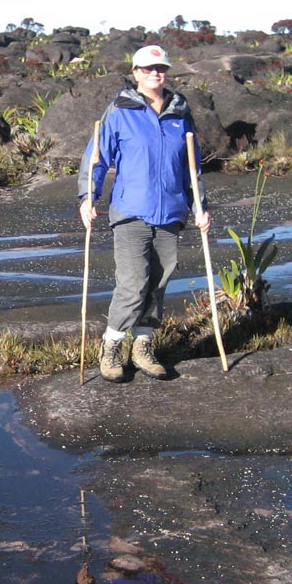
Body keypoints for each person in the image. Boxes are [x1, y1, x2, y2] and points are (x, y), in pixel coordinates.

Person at [79, 44, 210, 382]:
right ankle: (111, 346)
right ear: (136, 72)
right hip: (131, 212)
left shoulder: (181, 114)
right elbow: (96, 159)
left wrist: (200, 206)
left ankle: (143, 346)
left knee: (157, 282)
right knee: (134, 282)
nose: (156, 73)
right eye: (149, 69)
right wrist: (88, 197)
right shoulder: (120, 111)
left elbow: (190, 169)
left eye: (161, 68)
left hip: (170, 213)